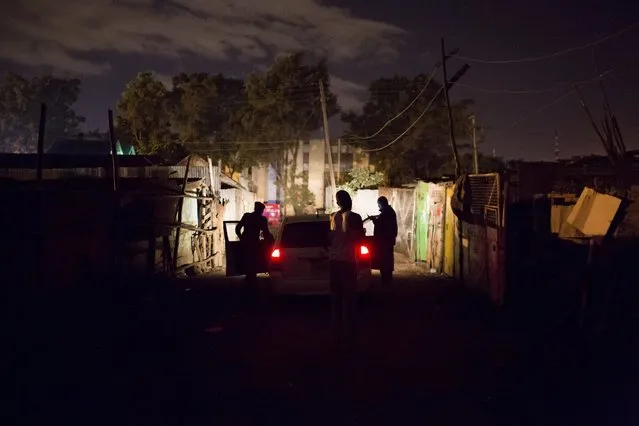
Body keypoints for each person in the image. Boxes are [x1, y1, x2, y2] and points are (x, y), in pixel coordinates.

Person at [329, 190, 365, 348]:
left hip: (334, 262)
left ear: (338, 202)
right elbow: (359, 238)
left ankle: (336, 334)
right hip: (348, 262)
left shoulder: (333, 216)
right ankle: (349, 335)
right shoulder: (355, 217)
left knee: (336, 299)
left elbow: (330, 237)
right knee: (349, 300)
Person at [235, 202, 273, 288]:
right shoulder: (262, 219)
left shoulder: (247, 216)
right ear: (260, 210)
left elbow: (238, 228)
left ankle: (249, 275)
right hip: (255, 243)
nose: (262, 212)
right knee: (254, 259)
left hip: (246, 242)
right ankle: (252, 276)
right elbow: (266, 233)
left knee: (247, 259)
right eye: (262, 210)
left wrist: (241, 237)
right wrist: (268, 242)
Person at [370, 196, 398, 287]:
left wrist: (375, 221)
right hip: (387, 241)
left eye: (379, 205)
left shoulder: (386, 213)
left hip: (384, 242)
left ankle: (386, 282)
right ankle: (387, 281)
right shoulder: (389, 212)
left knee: (384, 262)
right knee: (387, 262)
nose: (378, 207)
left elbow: (382, 227)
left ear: (382, 203)